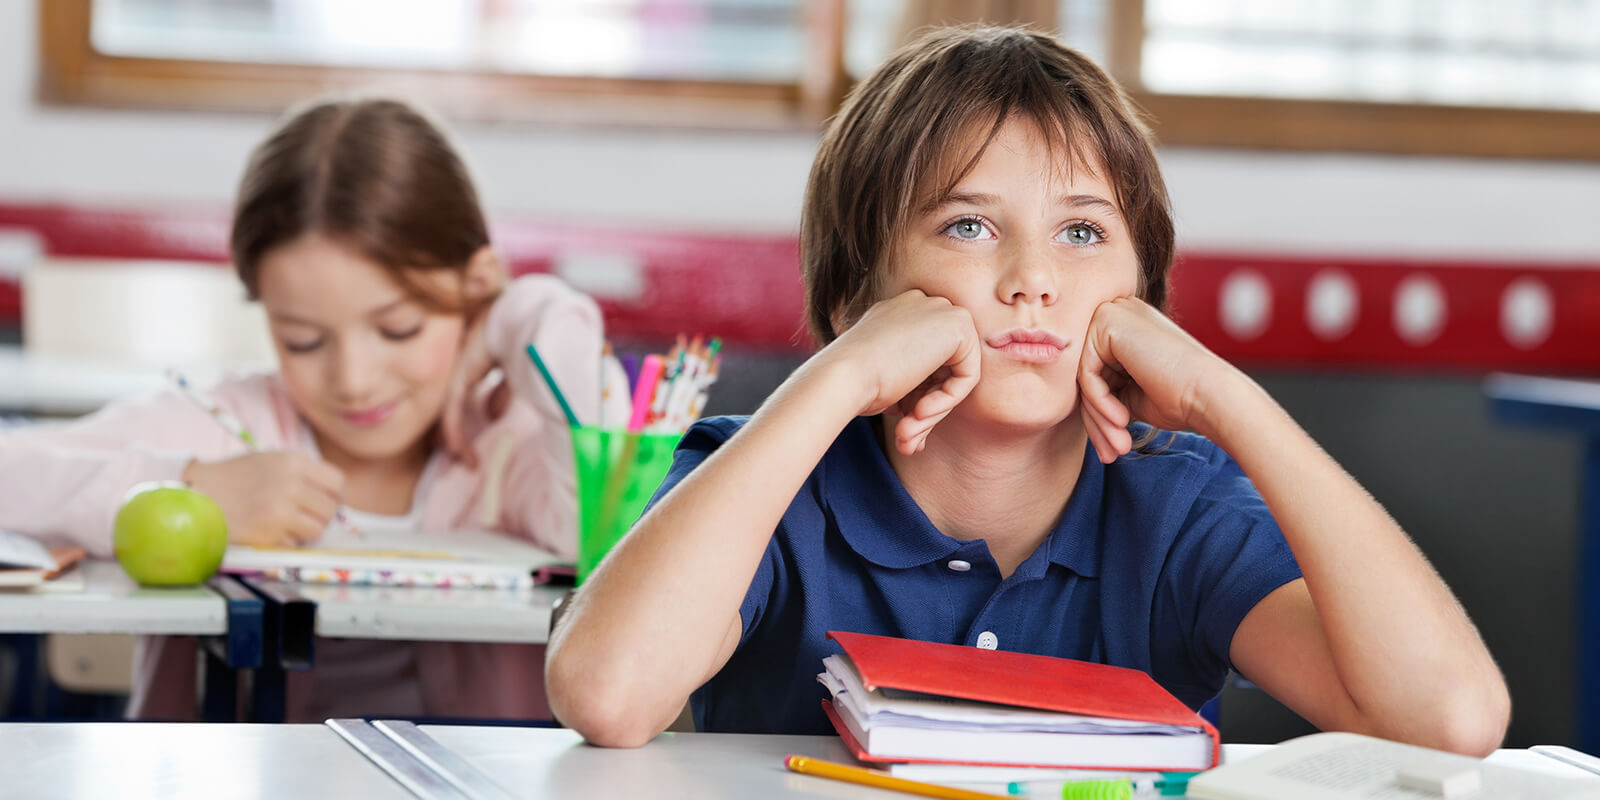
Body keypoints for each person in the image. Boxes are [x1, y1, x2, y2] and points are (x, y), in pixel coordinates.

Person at [546, 25, 1511, 754]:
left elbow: (1450, 718)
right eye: (969, 226)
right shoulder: (766, 481)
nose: (1032, 279)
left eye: (1082, 233)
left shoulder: (1176, 509)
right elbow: (607, 691)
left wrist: (1226, 398)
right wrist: (838, 377)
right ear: (856, 297)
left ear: (1142, 297)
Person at [0, 97, 625, 721]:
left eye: (400, 329)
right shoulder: (225, 429)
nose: (353, 382)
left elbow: (605, 521)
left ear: (476, 285)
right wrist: (187, 485)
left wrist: (524, 312)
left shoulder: (508, 447)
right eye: (303, 340)